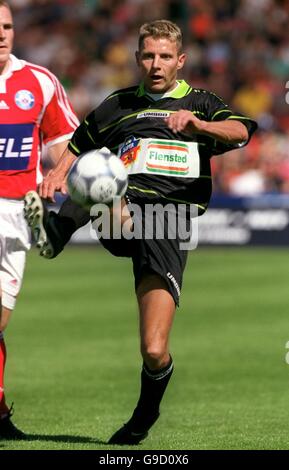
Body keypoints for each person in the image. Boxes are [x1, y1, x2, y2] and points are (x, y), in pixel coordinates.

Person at [24, 19, 257, 445]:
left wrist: (200, 128)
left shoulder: (200, 102)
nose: (156, 64)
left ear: (180, 60)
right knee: (100, 171)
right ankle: (56, 232)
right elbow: (81, 141)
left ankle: (142, 419)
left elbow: (240, 130)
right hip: (122, 210)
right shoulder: (119, 104)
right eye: (148, 55)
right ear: (137, 58)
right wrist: (57, 173)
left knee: (154, 350)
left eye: (165, 56)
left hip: (168, 223)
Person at [0, 1, 79, 439]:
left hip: (18, 209)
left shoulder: (39, 81)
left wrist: (61, 170)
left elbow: (63, 139)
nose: (2, 34)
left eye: (8, 26)